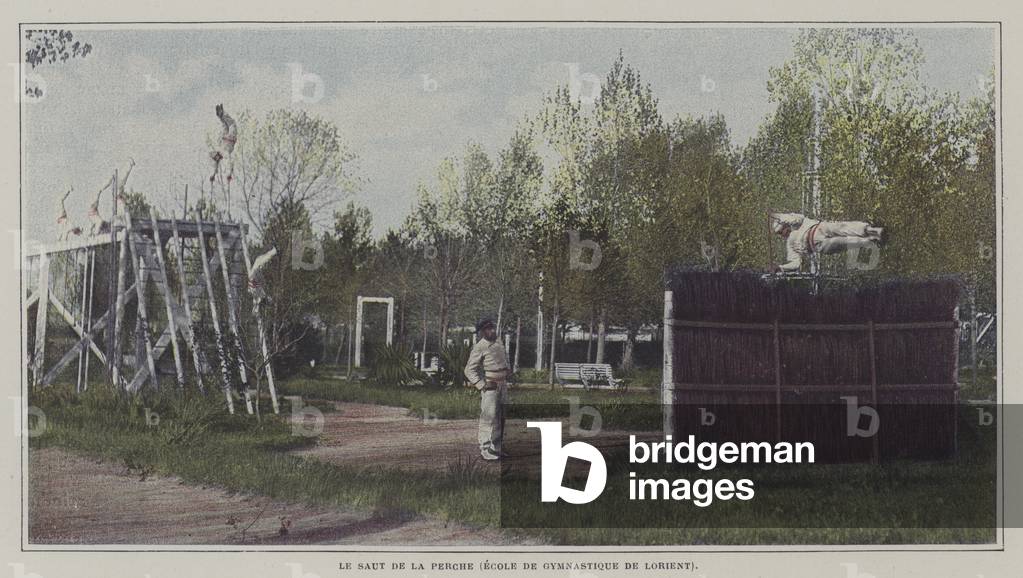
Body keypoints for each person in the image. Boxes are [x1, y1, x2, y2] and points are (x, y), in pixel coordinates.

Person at [770, 212, 885, 272]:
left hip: (819, 228)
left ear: (785, 225)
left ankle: (872, 230)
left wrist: (775, 215)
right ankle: (871, 240)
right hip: (818, 245)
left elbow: (795, 219)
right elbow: (796, 263)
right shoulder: (790, 244)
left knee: (843, 227)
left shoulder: (795, 223)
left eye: (782, 230)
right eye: (780, 233)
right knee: (844, 242)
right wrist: (781, 268)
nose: (783, 234)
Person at [464, 318, 509, 461]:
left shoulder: (499, 341)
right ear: (482, 332)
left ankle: (496, 448)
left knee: (501, 417)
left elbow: (503, 358)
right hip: (491, 386)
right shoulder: (480, 346)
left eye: (492, 328)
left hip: (503, 384)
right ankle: (484, 449)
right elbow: (469, 370)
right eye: (487, 329)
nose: (491, 331)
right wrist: (481, 384)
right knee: (488, 417)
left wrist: (508, 369)